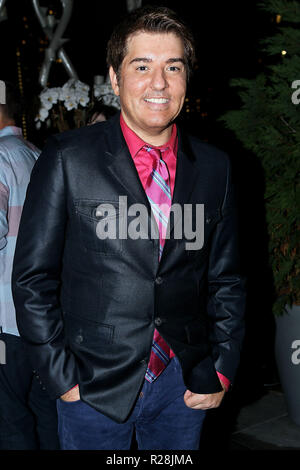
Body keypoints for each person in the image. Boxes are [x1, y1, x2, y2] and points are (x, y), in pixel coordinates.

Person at [12, 6, 246, 450]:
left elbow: (227, 277)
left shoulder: (216, 167)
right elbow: (31, 278)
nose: (158, 83)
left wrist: (222, 365)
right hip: (91, 386)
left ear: (185, 78)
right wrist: (62, 377)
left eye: (172, 67)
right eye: (142, 67)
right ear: (115, 79)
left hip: (184, 383)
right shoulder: (67, 158)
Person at [0, 82, 60, 449]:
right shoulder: (38, 156)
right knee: (45, 419)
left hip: (4, 322)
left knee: (9, 423)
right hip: (40, 320)